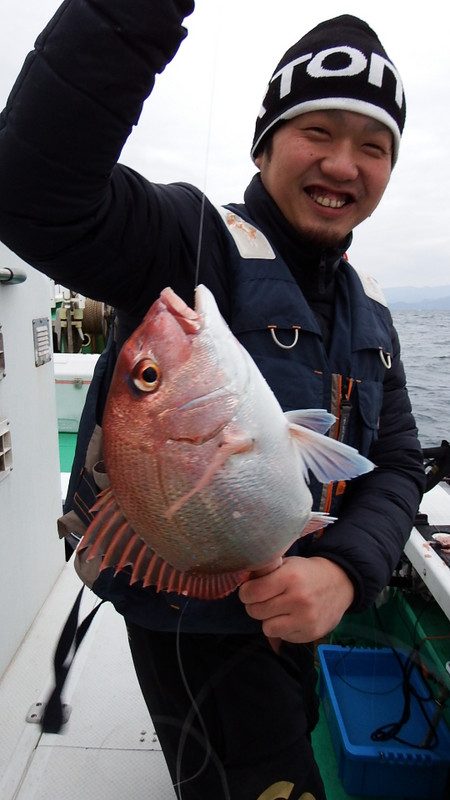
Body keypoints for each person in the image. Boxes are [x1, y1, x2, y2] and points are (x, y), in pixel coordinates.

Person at [0, 3, 425, 799]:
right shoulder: (187, 241)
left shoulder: (374, 319)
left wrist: (342, 571)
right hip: (190, 628)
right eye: (317, 132)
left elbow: (397, 462)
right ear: (264, 145)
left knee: (293, 719)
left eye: (373, 146)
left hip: (291, 604)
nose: (343, 164)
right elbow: (35, 188)